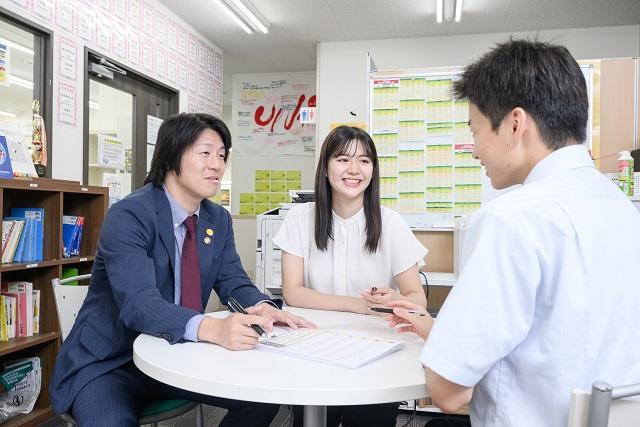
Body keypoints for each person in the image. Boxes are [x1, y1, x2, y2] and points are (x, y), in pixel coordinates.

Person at [385, 38, 640, 427]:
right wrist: (436, 328)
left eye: (475, 132)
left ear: (515, 123)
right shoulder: (621, 207)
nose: (474, 150)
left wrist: (444, 349)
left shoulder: (512, 218)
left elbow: (449, 391)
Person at [50, 113, 314, 427]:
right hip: (112, 363)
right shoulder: (130, 214)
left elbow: (233, 280)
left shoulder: (217, 219)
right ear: (172, 155)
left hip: (177, 353)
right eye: (205, 153)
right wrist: (213, 329)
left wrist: (263, 307)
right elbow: (138, 303)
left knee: (263, 398)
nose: (217, 164)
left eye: (221, 155)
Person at [273, 125, 428, 427]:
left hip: (377, 351)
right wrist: (357, 305)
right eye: (343, 159)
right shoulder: (299, 218)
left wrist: (397, 299)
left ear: (373, 170)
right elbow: (293, 292)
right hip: (312, 348)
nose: (354, 169)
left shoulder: (391, 223)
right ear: (326, 168)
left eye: (365, 161)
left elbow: (416, 297)